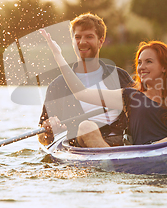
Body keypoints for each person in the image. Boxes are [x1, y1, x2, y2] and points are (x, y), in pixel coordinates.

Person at [40, 31, 167, 147]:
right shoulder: (131, 96)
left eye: (148, 62)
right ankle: (111, 167)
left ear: (164, 68)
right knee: (85, 126)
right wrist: (58, 56)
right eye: (140, 62)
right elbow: (81, 93)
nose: (141, 67)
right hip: (138, 157)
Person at [37, 13, 134, 147]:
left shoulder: (119, 76)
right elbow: (43, 139)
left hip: (123, 142)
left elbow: (141, 113)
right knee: (87, 127)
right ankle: (110, 162)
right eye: (77, 37)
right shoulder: (57, 86)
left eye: (89, 37)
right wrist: (48, 130)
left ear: (101, 41)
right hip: (81, 145)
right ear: (72, 42)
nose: (82, 42)